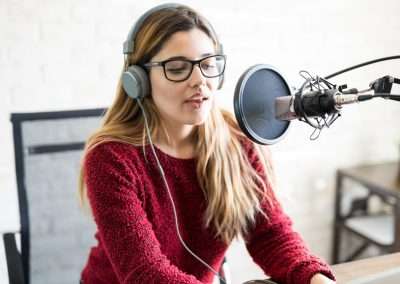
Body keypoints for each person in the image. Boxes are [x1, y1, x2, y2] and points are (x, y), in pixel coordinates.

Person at [79, 3, 336, 284]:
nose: (200, 80)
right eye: (177, 68)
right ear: (138, 80)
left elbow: (269, 234)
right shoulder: (111, 159)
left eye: (208, 64)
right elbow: (146, 274)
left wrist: (315, 278)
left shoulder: (238, 142)